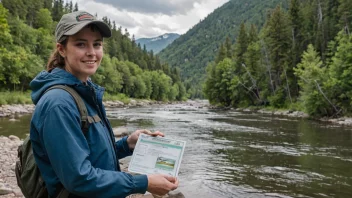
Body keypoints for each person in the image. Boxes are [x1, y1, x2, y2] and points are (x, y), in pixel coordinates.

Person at [29, 10, 178, 198]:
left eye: (97, 44)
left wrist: (127, 144)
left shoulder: (84, 92)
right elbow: (79, 178)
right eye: (81, 44)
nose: (91, 53)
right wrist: (144, 183)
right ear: (62, 49)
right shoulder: (59, 103)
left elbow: (93, 156)